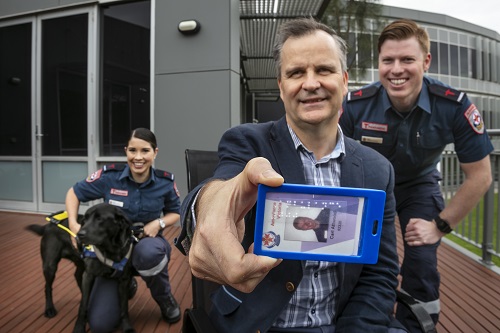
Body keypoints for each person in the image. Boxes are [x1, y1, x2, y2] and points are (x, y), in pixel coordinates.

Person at [176, 18, 406, 333]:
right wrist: (211, 207)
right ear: (281, 87)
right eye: (296, 72)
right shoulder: (246, 143)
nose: (310, 83)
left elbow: (379, 273)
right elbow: (221, 185)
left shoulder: (378, 169)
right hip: (259, 325)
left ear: (344, 80)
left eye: (323, 70)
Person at [339, 19, 493, 332]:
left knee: (421, 263)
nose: (397, 70)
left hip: (419, 186)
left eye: (407, 59)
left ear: (425, 61)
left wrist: (440, 226)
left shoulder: (454, 105)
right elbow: (328, 157)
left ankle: (417, 326)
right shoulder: (355, 106)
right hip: (370, 187)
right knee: (352, 255)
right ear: (379, 63)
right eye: (388, 60)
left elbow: (480, 176)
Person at [66, 128, 182, 332]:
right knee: (101, 324)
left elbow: (176, 212)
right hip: (111, 254)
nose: (138, 157)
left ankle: (165, 298)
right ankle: (127, 284)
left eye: (145, 151)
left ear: (155, 152)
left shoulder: (165, 182)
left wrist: (159, 223)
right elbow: (73, 193)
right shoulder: (109, 177)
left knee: (149, 254)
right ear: (126, 151)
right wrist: (74, 225)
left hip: (145, 245)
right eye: (132, 150)